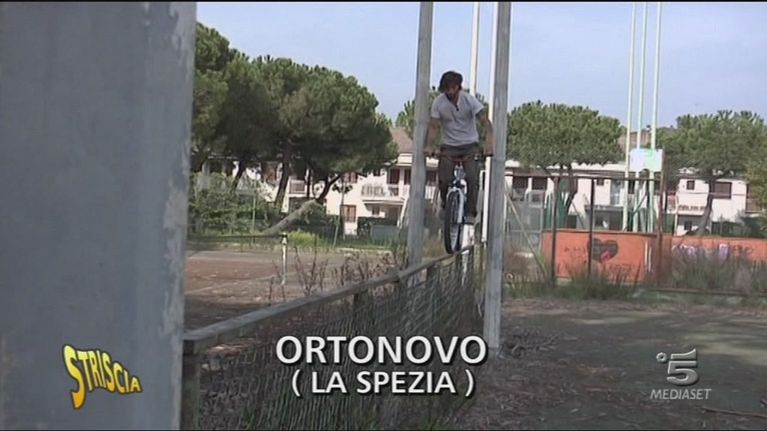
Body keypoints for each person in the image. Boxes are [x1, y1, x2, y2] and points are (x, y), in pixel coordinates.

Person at [424, 70, 494, 225]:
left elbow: (485, 123)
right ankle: (445, 203)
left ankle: (470, 212)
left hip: (470, 145)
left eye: (452, 88)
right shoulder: (438, 103)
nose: (450, 92)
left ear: (458, 87)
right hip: (449, 146)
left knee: (472, 177)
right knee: (444, 179)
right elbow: (434, 126)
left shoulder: (469, 101)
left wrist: (488, 144)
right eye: (446, 89)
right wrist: (429, 146)